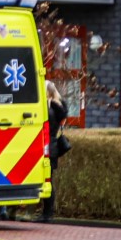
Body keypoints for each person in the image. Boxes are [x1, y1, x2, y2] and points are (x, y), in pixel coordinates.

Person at [40, 80, 71, 222]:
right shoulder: (58, 107)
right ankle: (47, 213)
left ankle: (47, 214)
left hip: (47, 147)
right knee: (49, 181)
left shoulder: (48, 108)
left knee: (48, 182)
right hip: (52, 147)